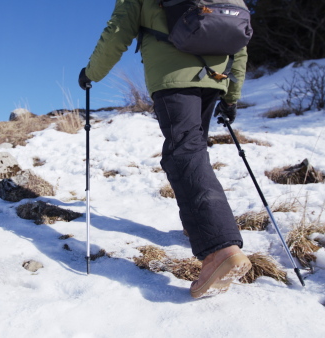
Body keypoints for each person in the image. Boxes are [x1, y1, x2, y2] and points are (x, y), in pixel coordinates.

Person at [78, 0, 251, 298]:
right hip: (217, 76)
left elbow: (118, 31)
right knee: (193, 150)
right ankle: (199, 226)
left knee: (183, 153)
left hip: (173, 73)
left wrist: (91, 74)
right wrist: (232, 95)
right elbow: (241, 37)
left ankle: (219, 249)